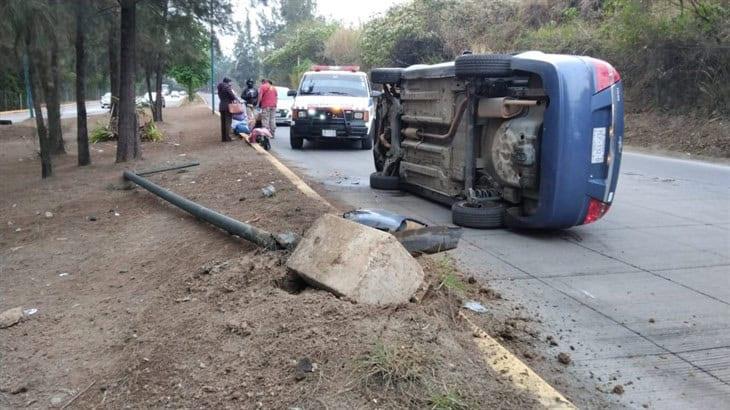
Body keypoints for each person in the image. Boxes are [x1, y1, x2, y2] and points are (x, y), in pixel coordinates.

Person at [216, 77, 239, 142]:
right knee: (228, 122)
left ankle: (223, 138)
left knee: (223, 123)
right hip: (228, 107)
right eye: (230, 82)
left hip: (221, 106)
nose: (230, 84)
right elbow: (232, 97)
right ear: (228, 82)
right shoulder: (227, 87)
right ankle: (227, 138)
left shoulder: (220, 87)